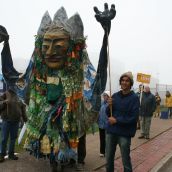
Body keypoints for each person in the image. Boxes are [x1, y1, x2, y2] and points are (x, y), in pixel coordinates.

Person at [0, 4, 116, 172]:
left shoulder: (77, 75)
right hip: (48, 118)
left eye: (58, 45)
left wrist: (106, 32)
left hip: (70, 118)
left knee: (70, 144)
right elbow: (12, 77)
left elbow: (97, 83)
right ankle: (55, 163)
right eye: (46, 46)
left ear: (71, 48)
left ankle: (70, 161)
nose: (50, 52)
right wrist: (6, 44)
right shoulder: (39, 74)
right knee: (52, 147)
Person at [105, 72, 140, 172]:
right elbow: (109, 113)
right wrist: (109, 105)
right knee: (108, 158)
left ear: (130, 83)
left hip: (124, 133)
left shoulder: (134, 98)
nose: (124, 82)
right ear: (120, 82)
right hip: (111, 132)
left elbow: (133, 117)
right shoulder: (115, 95)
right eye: (122, 80)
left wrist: (116, 120)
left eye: (127, 81)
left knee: (125, 159)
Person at [0, 88, 27, 162]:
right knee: (4, 139)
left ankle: (11, 154)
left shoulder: (19, 96)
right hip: (6, 121)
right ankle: (2, 154)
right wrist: (4, 102)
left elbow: (23, 108)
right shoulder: (5, 94)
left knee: (13, 138)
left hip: (16, 122)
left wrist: (25, 120)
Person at [97, 90, 110, 157]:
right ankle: (102, 152)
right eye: (103, 95)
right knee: (102, 138)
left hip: (107, 125)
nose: (104, 96)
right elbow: (98, 112)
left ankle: (108, 151)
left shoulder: (110, 104)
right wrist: (97, 119)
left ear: (108, 96)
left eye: (105, 95)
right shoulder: (101, 103)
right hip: (101, 124)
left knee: (107, 139)